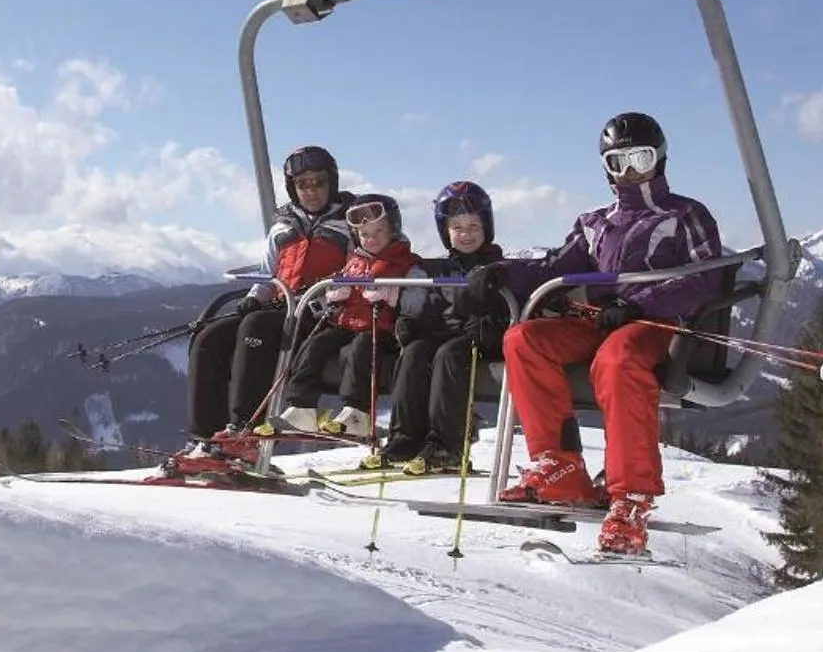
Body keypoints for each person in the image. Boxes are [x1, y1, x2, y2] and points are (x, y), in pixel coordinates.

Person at [472, 112, 723, 555]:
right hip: (601, 321)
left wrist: (640, 304)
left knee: (618, 358)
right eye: (617, 162)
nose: (629, 172)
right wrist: (500, 273)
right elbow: (555, 268)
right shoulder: (595, 222)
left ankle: (631, 497)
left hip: (655, 324)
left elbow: (705, 279)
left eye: (639, 159)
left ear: (660, 159)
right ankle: (559, 464)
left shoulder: (687, 214)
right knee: (524, 340)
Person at [183, 144, 356, 444]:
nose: (311, 190)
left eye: (319, 182)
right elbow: (267, 277)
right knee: (208, 338)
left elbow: (362, 272)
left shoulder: (349, 224)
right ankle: (205, 439)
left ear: (332, 182)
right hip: (279, 310)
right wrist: (254, 298)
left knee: (257, 327)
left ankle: (244, 432)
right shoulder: (282, 228)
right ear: (292, 188)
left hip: (320, 319)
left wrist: (325, 298)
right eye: (302, 184)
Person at [375, 180, 508, 475]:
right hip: (449, 337)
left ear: (486, 226)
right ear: (446, 232)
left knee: (448, 354)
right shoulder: (440, 270)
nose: (466, 234)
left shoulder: (497, 267)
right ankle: (405, 438)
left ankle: (448, 445)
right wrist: (414, 325)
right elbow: (432, 310)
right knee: (415, 351)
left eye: (473, 226)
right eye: (457, 228)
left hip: (482, 340)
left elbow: (510, 306)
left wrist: (491, 323)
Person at [274, 193, 416, 439]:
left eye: (378, 232)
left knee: (359, 349)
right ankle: (301, 406)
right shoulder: (355, 261)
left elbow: (415, 292)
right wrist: (336, 291)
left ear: (392, 229)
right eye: (364, 234)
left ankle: (357, 411)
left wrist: (391, 294)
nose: (371, 239)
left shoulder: (403, 260)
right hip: (347, 323)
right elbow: (339, 281)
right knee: (316, 343)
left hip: (381, 329)